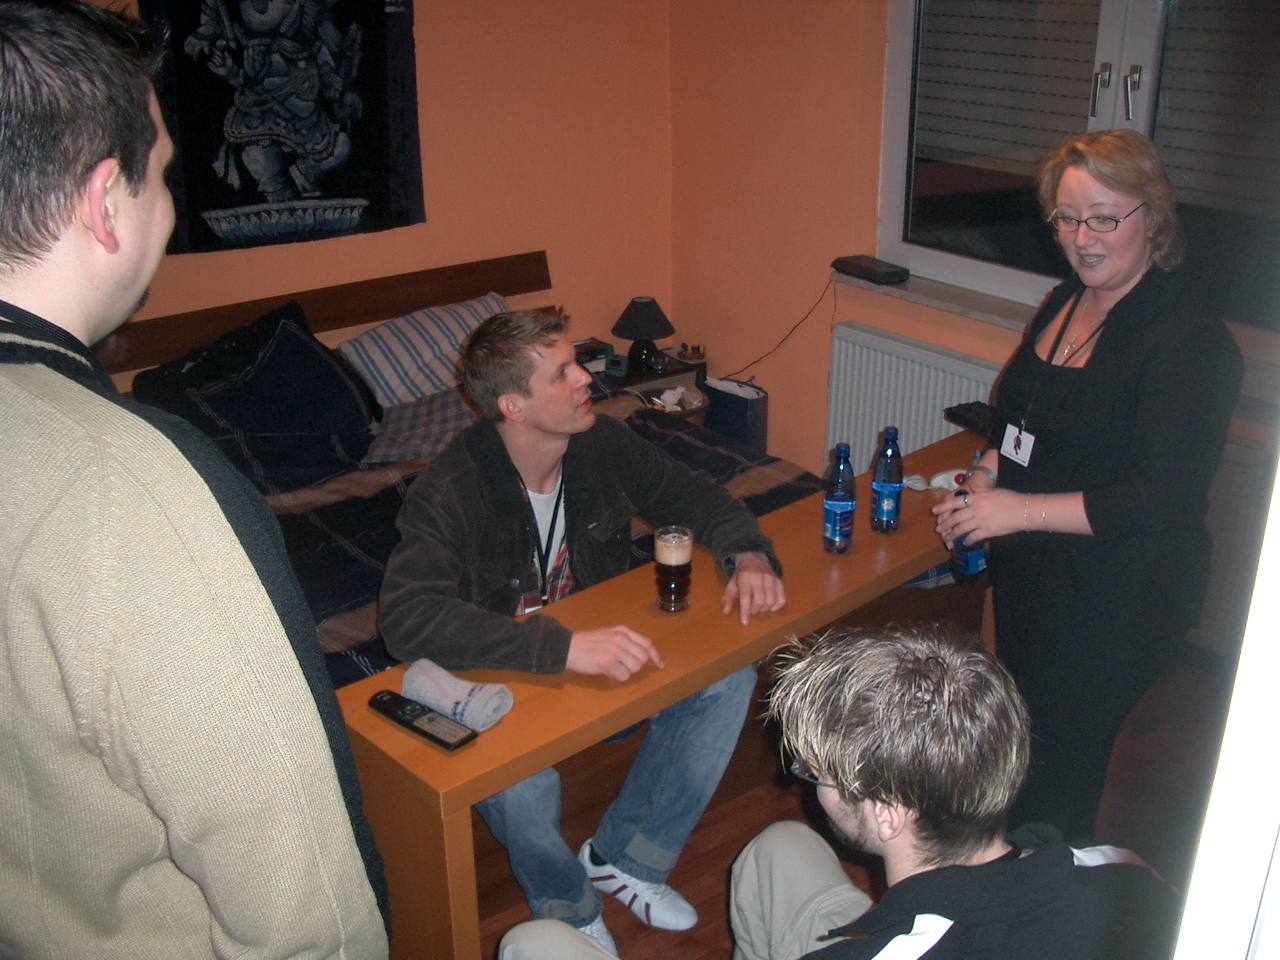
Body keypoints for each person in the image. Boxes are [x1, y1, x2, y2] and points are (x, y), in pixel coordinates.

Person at [0, 3, 388, 956]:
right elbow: (310, 910)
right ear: (105, 203)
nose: (169, 205)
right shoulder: (132, 488)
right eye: (167, 174)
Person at [379, 309, 786, 953]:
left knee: (727, 676)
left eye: (577, 364)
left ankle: (628, 859)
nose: (586, 381)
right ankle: (567, 908)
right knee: (521, 779)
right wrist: (561, 647)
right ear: (513, 405)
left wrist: (749, 552)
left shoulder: (602, 445)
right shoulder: (451, 487)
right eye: (563, 373)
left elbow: (695, 496)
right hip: (504, 671)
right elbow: (407, 616)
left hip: (591, 654)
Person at [497, 627, 1181, 960]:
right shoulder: (1125, 871)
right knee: (780, 849)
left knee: (535, 946)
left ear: (887, 812)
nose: (806, 783)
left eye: (818, 773)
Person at [933, 129, 1243, 840]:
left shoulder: (1190, 340)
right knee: (1020, 751)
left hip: (1119, 595)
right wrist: (985, 475)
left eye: (1104, 218)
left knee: (1057, 782)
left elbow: (1159, 498)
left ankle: (1043, 885)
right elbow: (1024, 420)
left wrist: (1016, 511)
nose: (1082, 239)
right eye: (1068, 219)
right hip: (1038, 578)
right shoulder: (1067, 301)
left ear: (1152, 217)